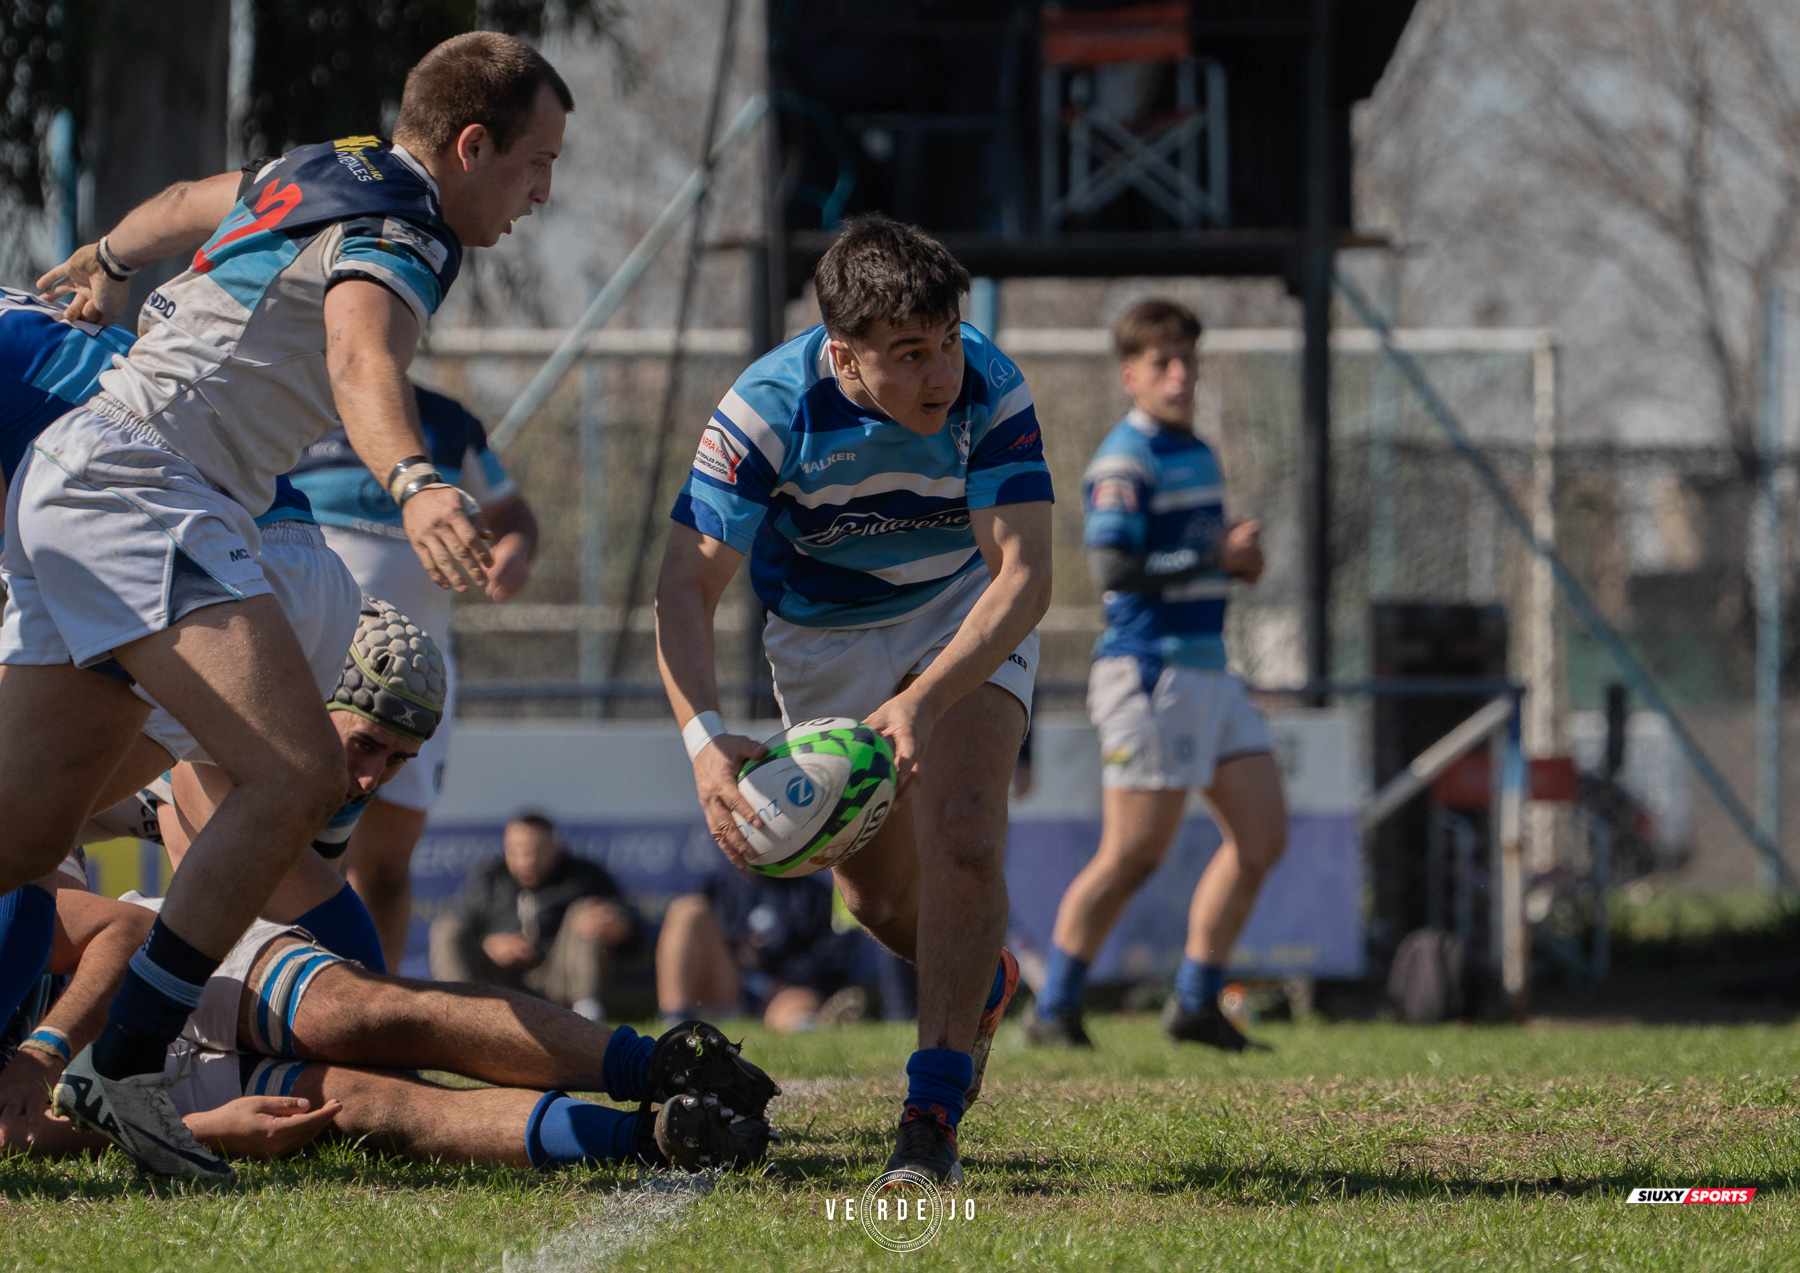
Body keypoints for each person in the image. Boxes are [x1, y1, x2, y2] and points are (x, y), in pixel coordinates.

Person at [9, 31, 571, 1178]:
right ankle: (129, 1060)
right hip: (148, 485)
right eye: (539, 164)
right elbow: (361, 359)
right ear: (472, 146)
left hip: (90, 478)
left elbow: (181, 202)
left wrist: (107, 259)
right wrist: (414, 481)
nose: (543, 195)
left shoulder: (327, 163)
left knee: (20, 838)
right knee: (298, 773)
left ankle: (118, 1056)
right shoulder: (408, 226)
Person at [654, 215, 1054, 1184]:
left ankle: (930, 1115)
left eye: (947, 340)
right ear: (843, 355)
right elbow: (685, 585)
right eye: (910, 353)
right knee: (870, 897)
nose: (941, 372)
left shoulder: (990, 384)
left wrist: (927, 699)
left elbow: (1025, 574)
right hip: (823, 637)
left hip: (962, 608)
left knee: (965, 832)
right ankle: (984, 977)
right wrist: (704, 740)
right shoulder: (766, 409)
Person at [0, 286, 359, 1035]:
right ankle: (365, 1046)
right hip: (273, 558)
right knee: (44, 831)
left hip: (161, 546)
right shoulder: (21, 315)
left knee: (23, 833)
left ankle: (78, 1054)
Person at [2, 887, 777, 1171]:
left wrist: (43, 1046)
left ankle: (660, 1065)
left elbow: (126, 929)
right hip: (135, 1094)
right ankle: (659, 1139)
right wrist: (205, 1129)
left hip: (164, 976)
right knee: (362, 1106)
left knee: (355, 1011)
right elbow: (19, 1137)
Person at [1023, 299, 1288, 1053]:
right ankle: (1053, 1008)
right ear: (1130, 375)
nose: (1180, 375)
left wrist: (1233, 562)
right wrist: (1214, 556)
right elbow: (1114, 567)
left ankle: (1195, 1003)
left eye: (1188, 360)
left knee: (1262, 838)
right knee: (1133, 853)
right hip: (1148, 673)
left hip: (1210, 672)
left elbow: (1189, 556)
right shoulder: (1123, 457)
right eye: (1162, 363)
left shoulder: (1196, 451)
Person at [290, 381, 539, 968]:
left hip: (417, 690)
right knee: (294, 855)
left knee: (384, 868)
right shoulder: (295, 398)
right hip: (307, 672)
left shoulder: (449, 420)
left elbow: (511, 511)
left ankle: (378, 1001)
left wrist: (516, 547)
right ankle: (282, 996)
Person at [429, 814, 638, 1022]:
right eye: (517, 850)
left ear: (556, 849)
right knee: (447, 929)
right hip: (499, 981)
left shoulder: (585, 877)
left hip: (559, 978)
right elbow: (461, 926)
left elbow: (636, 933)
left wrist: (617, 928)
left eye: (537, 850)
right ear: (505, 849)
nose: (527, 859)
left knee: (588, 913)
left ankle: (587, 1014)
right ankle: (459, 1016)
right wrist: (489, 945)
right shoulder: (489, 877)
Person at [656, 868, 863, 1032]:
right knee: (686, 910)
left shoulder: (811, 893)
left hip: (783, 994)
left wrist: (787, 977)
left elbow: (832, 955)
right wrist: (737, 948)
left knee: (795, 1007)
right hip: (729, 988)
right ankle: (675, 1024)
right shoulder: (716, 886)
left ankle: (808, 1026)